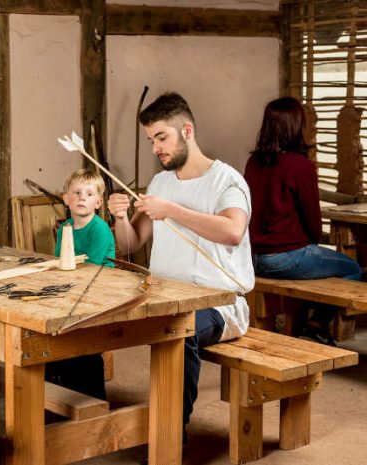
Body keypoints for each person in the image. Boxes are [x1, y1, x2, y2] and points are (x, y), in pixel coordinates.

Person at [107, 92, 254, 436]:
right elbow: (130, 244)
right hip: (164, 296)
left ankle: (171, 434)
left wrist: (172, 210)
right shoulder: (160, 183)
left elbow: (233, 231)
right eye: (151, 140)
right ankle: (87, 413)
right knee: (93, 318)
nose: (156, 148)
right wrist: (120, 217)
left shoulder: (227, 181)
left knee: (179, 328)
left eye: (162, 137)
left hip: (220, 304)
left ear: (186, 130)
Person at [244, 96, 362, 345]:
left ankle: (308, 323)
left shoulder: (253, 163)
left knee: (321, 265)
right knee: (352, 268)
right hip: (286, 257)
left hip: (252, 258)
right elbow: (313, 222)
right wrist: (311, 245)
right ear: (296, 126)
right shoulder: (300, 165)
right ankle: (317, 324)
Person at [45, 169, 116, 400]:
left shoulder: (99, 229)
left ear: (98, 202)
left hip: (99, 288)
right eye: (76, 192)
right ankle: (55, 375)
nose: (82, 197)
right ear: (66, 199)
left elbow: (93, 268)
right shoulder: (65, 227)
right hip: (74, 285)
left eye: (88, 193)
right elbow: (59, 261)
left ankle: (83, 382)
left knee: (78, 336)